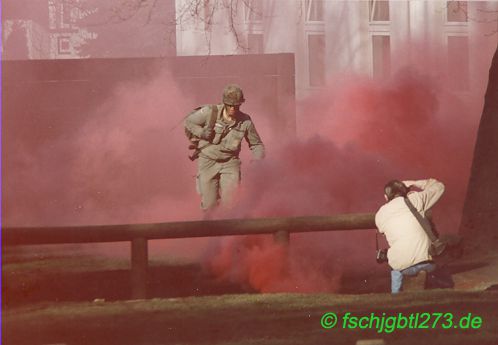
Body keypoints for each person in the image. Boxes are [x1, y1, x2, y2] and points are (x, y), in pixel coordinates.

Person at [184, 84, 265, 211]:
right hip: (208, 161)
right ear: (224, 103)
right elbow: (189, 121)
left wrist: (257, 161)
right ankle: (209, 229)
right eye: (230, 104)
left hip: (230, 162)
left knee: (231, 204)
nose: (233, 108)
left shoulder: (245, 121)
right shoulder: (210, 112)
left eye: (236, 105)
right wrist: (202, 133)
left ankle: (229, 229)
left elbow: (256, 144)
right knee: (209, 204)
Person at [375, 178, 445, 293]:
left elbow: (384, 232)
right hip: (426, 263)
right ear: (405, 191)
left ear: (386, 197)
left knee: (395, 269)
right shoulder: (416, 199)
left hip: (401, 267)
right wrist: (414, 183)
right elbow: (439, 186)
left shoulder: (380, 214)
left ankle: (395, 296)